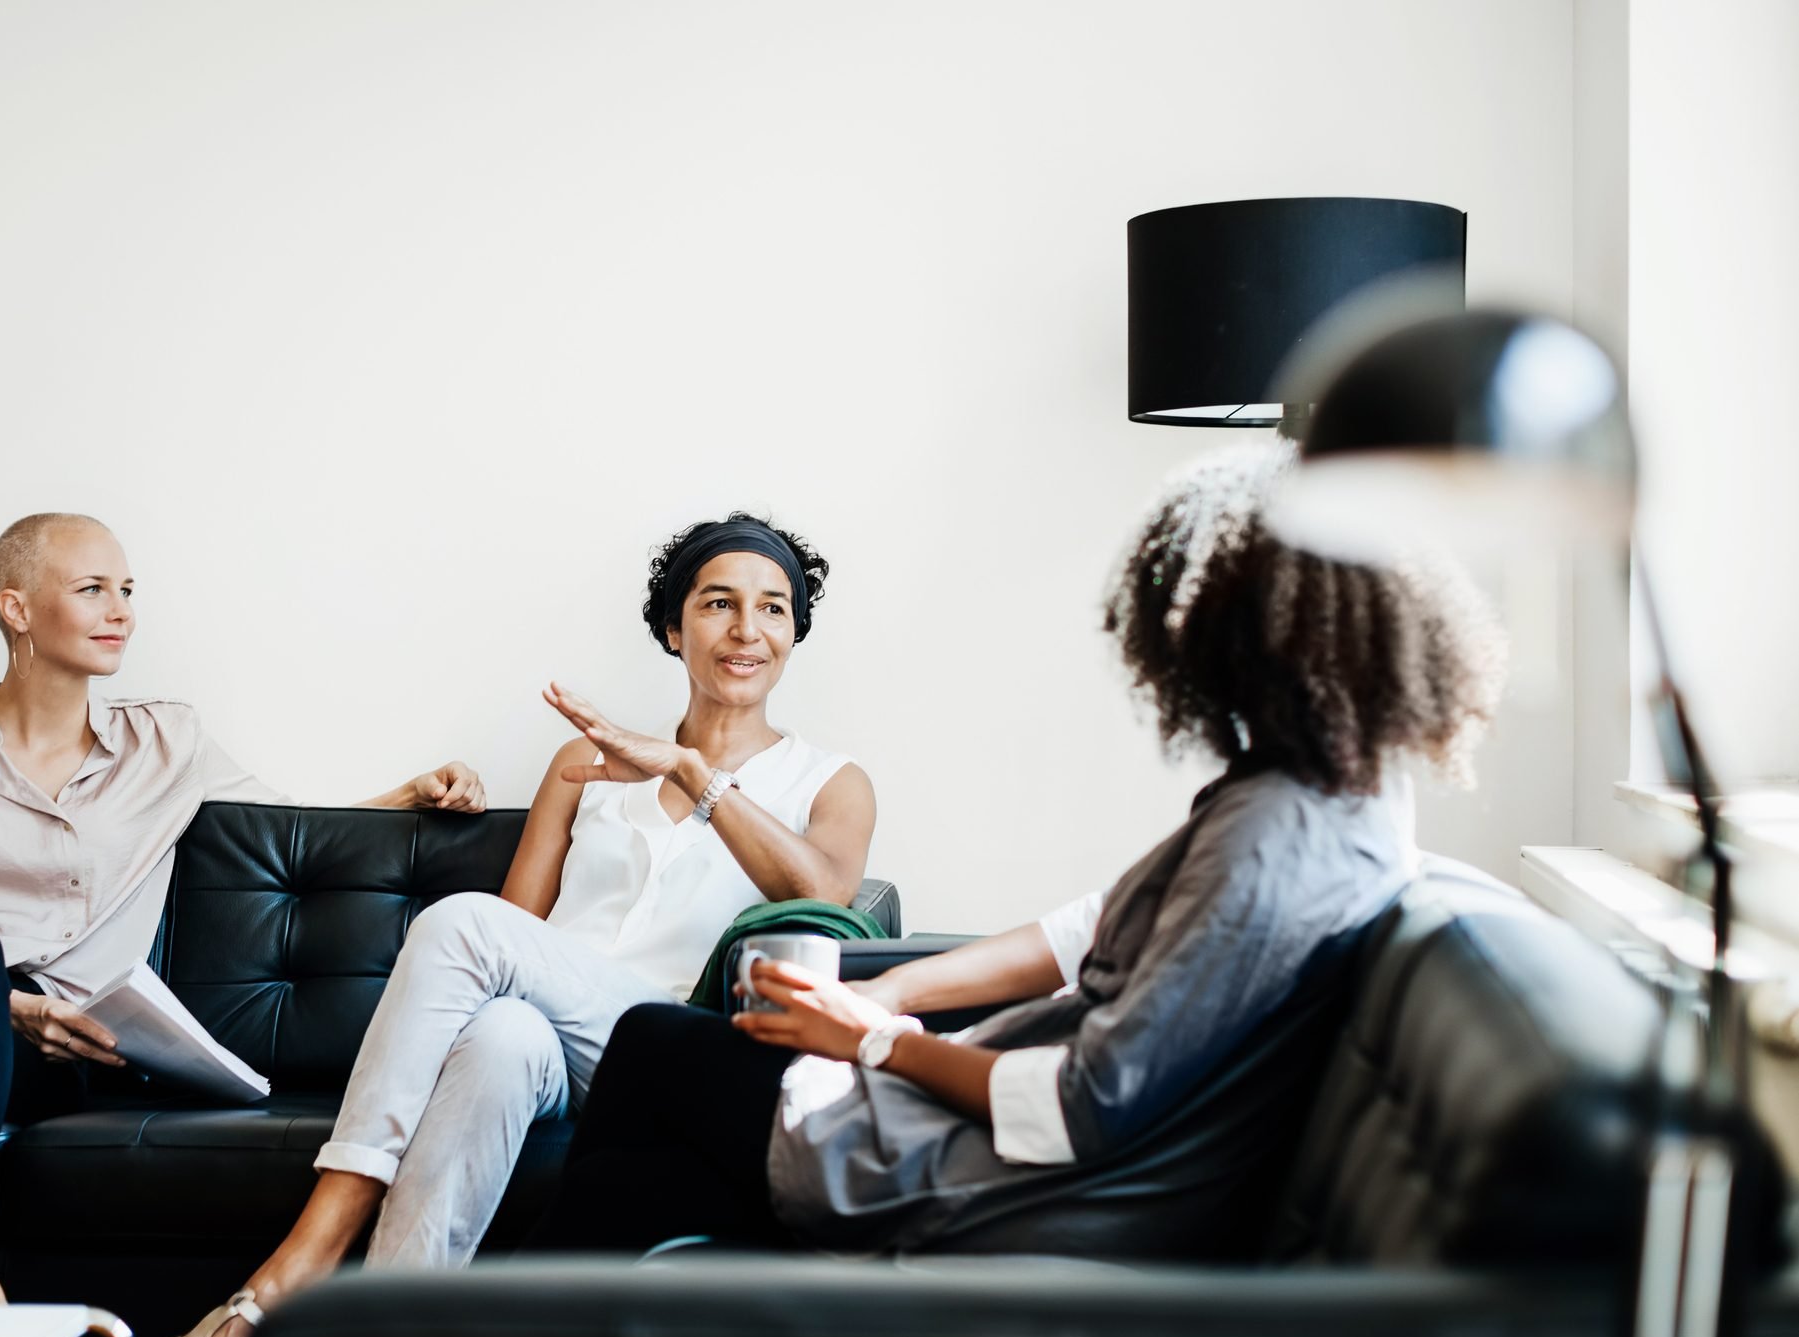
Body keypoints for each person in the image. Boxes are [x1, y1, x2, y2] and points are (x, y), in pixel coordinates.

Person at [522, 439, 1505, 1260]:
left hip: (997, 1181)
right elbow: (1081, 933)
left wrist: (872, 1039)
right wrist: (882, 995)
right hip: (974, 1114)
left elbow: (1081, 1106)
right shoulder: (1315, 787)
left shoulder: (1274, 844)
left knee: (653, 1056)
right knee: (639, 1163)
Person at [138, 512, 876, 1337]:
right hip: (555, 1046)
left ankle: (295, 1272)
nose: (745, 630)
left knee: (463, 926)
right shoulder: (582, 761)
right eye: (717, 604)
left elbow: (824, 896)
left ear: (794, 633)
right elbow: (512, 931)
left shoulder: (828, 781)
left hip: (675, 1053)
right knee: (498, 1038)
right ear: (674, 629)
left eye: (772, 609)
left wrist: (690, 773)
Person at [0, 513, 484, 1306]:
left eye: (128, 591)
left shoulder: (165, 743)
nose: (123, 612)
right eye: (93, 589)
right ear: (17, 608)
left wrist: (413, 795)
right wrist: (11, 1004)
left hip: (35, 1059)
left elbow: (296, 832)